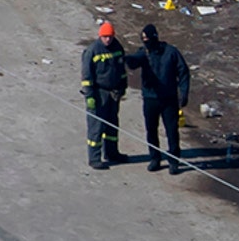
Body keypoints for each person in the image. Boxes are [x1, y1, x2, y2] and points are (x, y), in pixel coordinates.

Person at [126, 24, 190, 175]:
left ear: (155, 37)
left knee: (172, 130)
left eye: (148, 39)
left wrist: (184, 92)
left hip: (169, 99)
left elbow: (183, 72)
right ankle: (155, 158)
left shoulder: (171, 52)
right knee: (151, 130)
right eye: (143, 40)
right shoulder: (144, 53)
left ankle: (174, 160)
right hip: (150, 98)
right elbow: (135, 61)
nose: (146, 42)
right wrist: (126, 59)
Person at [80, 21, 128, 170]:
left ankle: (112, 153)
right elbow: (87, 76)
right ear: (100, 36)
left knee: (112, 125)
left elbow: (121, 69)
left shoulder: (117, 47)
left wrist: (122, 87)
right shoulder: (92, 51)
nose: (108, 39)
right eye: (105, 37)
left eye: (110, 37)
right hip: (99, 93)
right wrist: (90, 96)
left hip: (113, 93)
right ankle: (94, 158)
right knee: (96, 127)